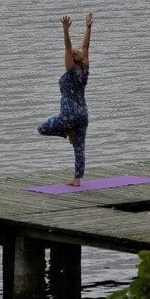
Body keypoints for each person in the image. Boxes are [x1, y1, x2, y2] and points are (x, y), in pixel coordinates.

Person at [38, 12, 93, 186]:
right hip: (83, 113)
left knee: (42, 129)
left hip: (69, 113)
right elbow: (86, 47)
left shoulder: (70, 71)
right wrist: (88, 27)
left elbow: (68, 48)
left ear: (72, 58)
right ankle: (77, 179)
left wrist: (65, 31)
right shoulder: (84, 72)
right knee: (79, 147)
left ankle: (65, 131)